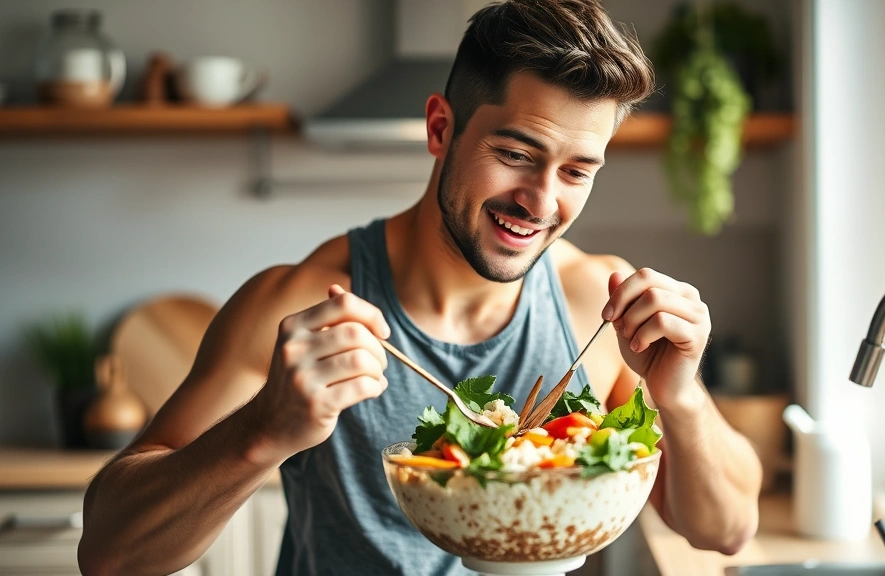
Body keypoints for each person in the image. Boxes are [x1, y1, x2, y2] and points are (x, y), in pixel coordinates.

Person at [78, 1, 762, 574]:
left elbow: (726, 530)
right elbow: (109, 553)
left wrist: (681, 397)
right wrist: (263, 431)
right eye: (516, 155)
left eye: (578, 170)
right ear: (442, 128)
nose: (541, 201)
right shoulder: (303, 307)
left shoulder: (595, 304)